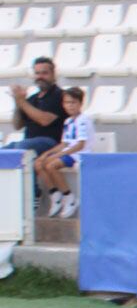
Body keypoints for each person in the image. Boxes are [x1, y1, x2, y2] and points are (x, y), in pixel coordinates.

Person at [33, 87, 90, 219]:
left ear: (80, 104)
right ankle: (55, 195)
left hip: (80, 154)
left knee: (51, 165)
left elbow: (80, 144)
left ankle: (69, 197)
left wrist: (58, 155)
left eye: (73, 102)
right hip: (69, 152)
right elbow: (64, 143)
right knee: (39, 163)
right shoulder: (68, 121)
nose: (69, 106)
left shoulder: (83, 120)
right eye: (67, 102)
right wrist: (47, 154)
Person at [6, 57, 67, 160]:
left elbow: (44, 120)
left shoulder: (60, 95)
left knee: (22, 147)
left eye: (44, 73)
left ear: (53, 75)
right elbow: (17, 125)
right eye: (37, 73)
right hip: (29, 141)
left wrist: (21, 101)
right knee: (4, 152)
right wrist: (17, 102)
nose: (40, 77)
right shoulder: (32, 99)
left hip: (51, 142)